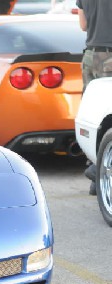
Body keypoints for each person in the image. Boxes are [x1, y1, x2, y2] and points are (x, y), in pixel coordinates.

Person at [77, 0, 112, 195]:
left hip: (90, 56)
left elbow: (83, 25)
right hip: (109, 57)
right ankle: (95, 172)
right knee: (108, 117)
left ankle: (95, 177)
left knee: (94, 116)